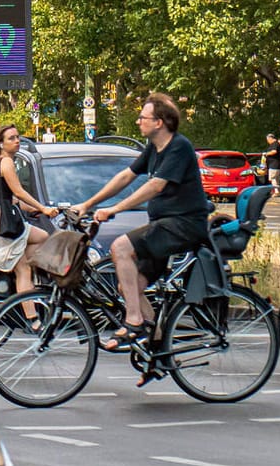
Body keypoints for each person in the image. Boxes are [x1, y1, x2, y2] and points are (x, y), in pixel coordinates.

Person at [76, 94, 211, 368]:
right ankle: (159, 351)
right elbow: (125, 176)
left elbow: (155, 187)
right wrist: (89, 203)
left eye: (143, 118)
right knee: (129, 287)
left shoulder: (179, 147)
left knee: (120, 248)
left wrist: (115, 209)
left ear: (159, 122)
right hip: (163, 226)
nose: (138, 121)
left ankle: (135, 320)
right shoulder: (153, 148)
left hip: (183, 225)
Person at [0, 125, 60, 300]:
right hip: (0, 222)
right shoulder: (6, 162)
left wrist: (34, 208)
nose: (17, 141)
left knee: (42, 237)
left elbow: (9, 198)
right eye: (11, 138)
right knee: (24, 270)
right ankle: (33, 321)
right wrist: (44, 208)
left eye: (17, 137)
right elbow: (19, 191)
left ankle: (13, 271)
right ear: (0, 143)